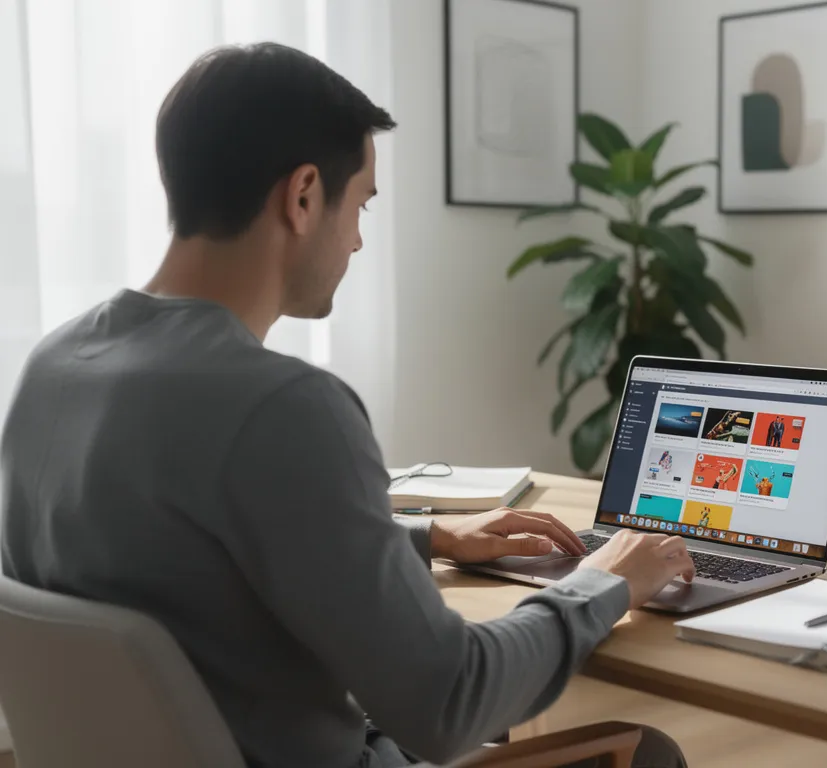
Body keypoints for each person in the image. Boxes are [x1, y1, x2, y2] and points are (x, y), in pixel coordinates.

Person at [0, 43, 691, 768]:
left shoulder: (53, 368)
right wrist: (604, 580)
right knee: (645, 752)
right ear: (302, 196)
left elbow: (192, 562)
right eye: (360, 203)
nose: (359, 238)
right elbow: (450, 702)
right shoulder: (283, 408)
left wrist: (424, 540)